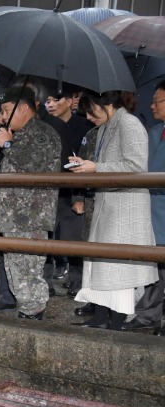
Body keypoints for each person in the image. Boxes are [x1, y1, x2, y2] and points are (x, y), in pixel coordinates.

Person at [67, 91, 159, 331]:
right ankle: (101, 317)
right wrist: (88, 166)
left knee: (118, 267)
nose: (88, 117)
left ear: (106, 103)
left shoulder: (129, 123)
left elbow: (136, 167)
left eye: (91, 110)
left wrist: (96, 168)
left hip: (125, 207)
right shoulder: (108, 126)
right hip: (108, 202)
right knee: (102, 263)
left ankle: (115, 321)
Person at [0, 86, 62, 320]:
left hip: (30, 219)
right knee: (15, 271)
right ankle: (26, 312)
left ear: (23, 109)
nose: (3, 115)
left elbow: (35, 165)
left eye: (7, 110)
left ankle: (33, 315)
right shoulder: (17, 134)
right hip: (12, 219)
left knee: (29, 272)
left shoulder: (43, 133)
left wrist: (8, 145)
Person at [122, 80, 165, 334]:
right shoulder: (153, 132)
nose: (152, 106)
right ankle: (148, 315)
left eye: (157, 101)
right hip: (152, 208)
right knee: (154, 265)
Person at [46, 84, 93, 296]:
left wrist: (80, 194)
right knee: (45, 238)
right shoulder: (45, 125)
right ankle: (45, 282)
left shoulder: (84, 125)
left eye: (56, 100)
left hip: (73, 189)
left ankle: (76, 282)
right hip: (48, 189)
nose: (51, 105)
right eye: (47, 101)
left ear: (69, 101)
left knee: (74, 239)